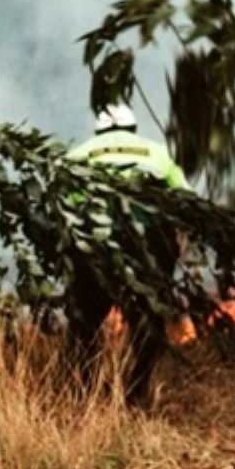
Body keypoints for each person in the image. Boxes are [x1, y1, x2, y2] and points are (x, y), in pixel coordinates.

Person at [63, 103, 187, 407]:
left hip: (96, 249)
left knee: (85, 324)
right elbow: (186, 200)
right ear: (133, 130)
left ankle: (87, 393)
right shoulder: (156, 152)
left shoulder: (78, 155)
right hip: (148, 247)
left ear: (99, 131)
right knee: (147, 323)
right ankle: (137, 390)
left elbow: (66, 205)